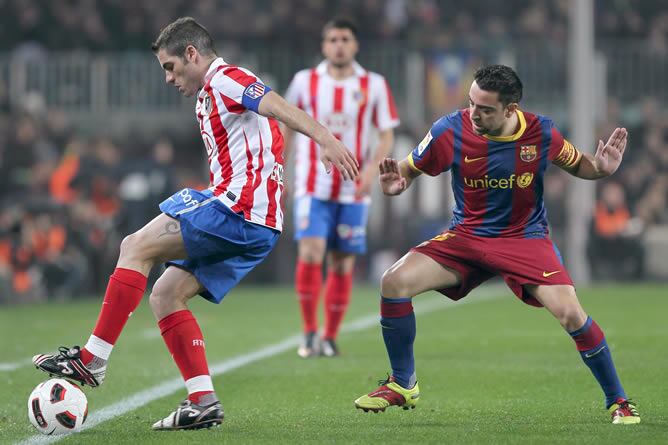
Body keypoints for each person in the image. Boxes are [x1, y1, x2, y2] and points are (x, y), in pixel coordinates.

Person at [32, 17, 359, 431]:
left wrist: (325, 139)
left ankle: (92, 359)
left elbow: (278, 105)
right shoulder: (209, 95)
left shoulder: (225, 78)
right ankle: (203, 401)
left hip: (238, 210)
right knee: (165, 294)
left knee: (135, 246)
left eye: (171, 67)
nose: (169, 78)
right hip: (256, 221)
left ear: (192, 54)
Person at [353, 65, 640, 425]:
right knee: (393, 282)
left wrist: (601, 169)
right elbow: (408, 169)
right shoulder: (449, 129)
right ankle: (402, 383)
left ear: (511, 109)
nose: (473, 114)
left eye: (485, 109)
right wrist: (398, 184)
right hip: (467, 237)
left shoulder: (540, 132)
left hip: (524, 239)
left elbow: (579, 164)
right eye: (471, 103)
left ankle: (619, 401)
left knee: (571, 314)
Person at [283, 18, 399, 358]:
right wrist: (281, 169)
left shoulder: (373, 84)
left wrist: (371, 171)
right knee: (310, 252)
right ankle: (308, 333)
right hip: (311, 183)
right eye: (332, 39)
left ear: (355, 45)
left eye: (344, 39)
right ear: (323, 46)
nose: (338, 45)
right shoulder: (305, 81)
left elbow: (386, 132)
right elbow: (288, 126)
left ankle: (330, 336)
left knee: (342, 262)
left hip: (353, 187)